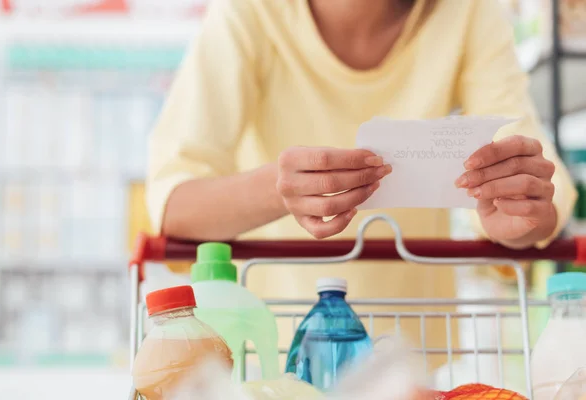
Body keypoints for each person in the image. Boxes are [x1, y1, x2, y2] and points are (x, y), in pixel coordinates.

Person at [146, 0, 577, 367]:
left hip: (414, 360)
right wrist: (276, 188)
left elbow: (539, 182)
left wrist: (524, 211)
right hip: (273, 362)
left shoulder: (467, 12)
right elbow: (173, 205)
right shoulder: (250, 13)